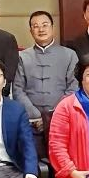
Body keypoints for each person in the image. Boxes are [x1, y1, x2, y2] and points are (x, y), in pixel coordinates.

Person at [12, 11, 79, 157]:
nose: (40, 29)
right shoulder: (22, 57)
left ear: (52, 27)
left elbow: (73, 87)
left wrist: (52, 116)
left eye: (45, 25)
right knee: (31, 161)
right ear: (31, 31)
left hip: (62, 119)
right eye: (35, 26)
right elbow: (17, 89)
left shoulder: (69, 55)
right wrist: (36, 116)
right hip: (31, 121)